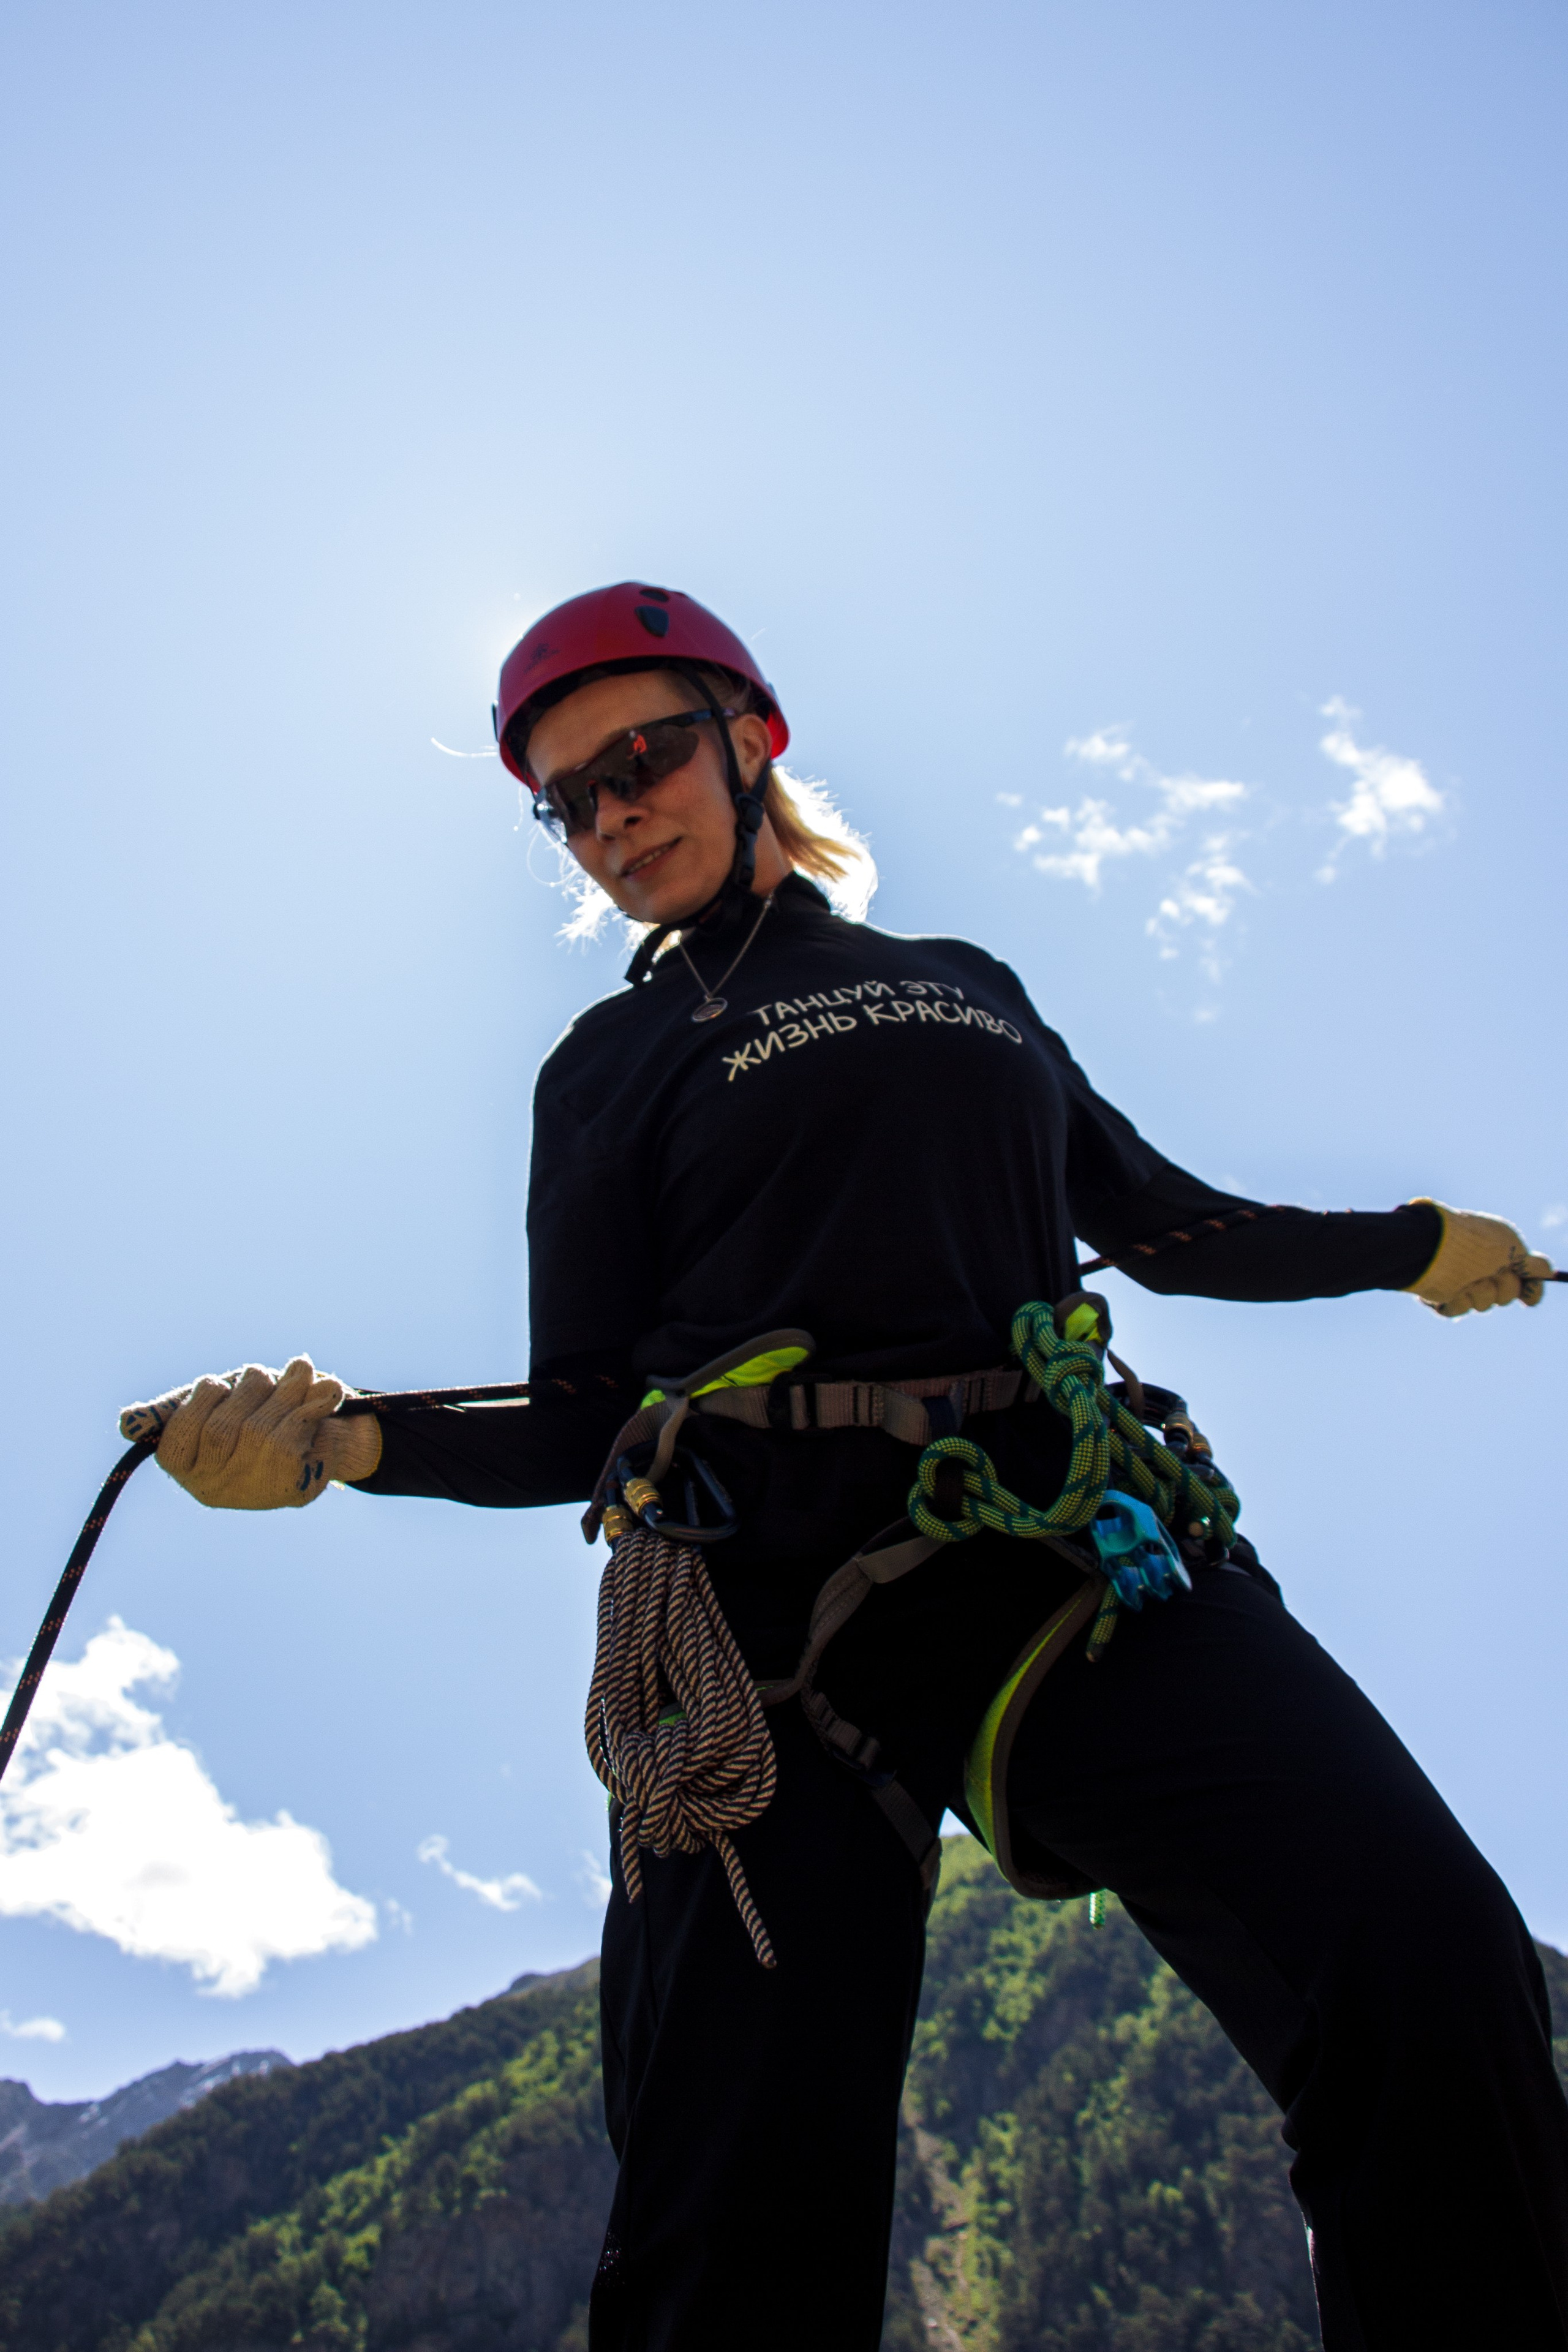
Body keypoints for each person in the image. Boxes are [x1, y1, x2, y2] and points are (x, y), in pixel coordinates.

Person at [125, 582, 1568, 2351]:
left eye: (637, 759)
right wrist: (341, 1449)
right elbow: (582, 1414)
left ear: (753, 739)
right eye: (563, 803)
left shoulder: (962, 988)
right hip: (755, 1630)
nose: (607, 819)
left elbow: (1175, 1227)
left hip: (1079, 1562)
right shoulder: (606, 1066)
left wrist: (1418, 1242)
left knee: (1428, 1958)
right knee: (731, 2224)